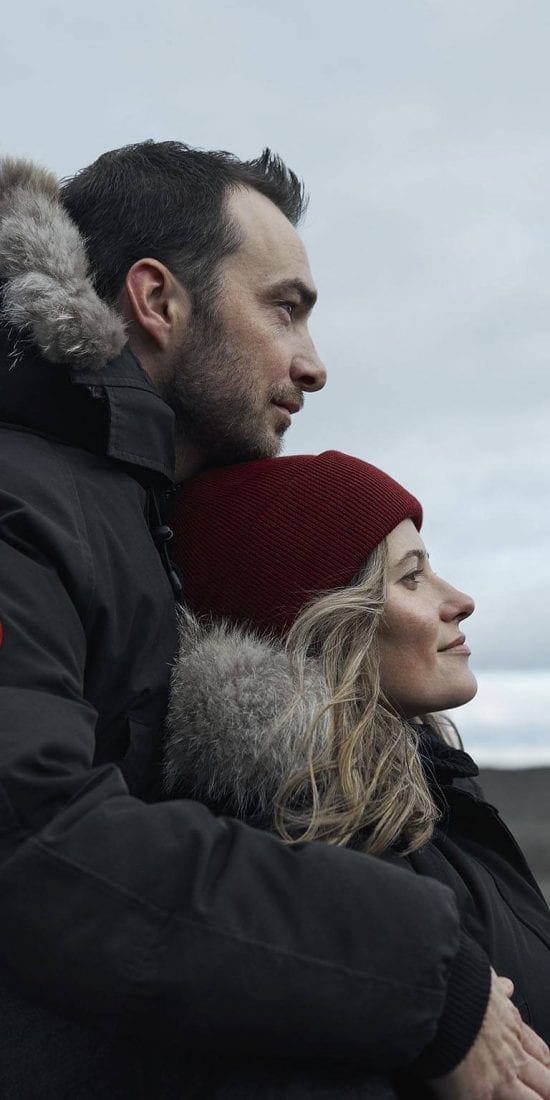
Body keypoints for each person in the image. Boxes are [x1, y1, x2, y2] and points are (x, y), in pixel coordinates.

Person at [0, 143, 546, 1099]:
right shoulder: (25, 502)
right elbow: (33, 844)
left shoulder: (139, 519)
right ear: (157, 300)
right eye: (283, 309)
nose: (315, 365)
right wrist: (421, 977)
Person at [166, 450, 550, 1097]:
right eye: (411, 578)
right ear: (319, 626)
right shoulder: (305, 872)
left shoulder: (430, 798)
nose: (461, 601)